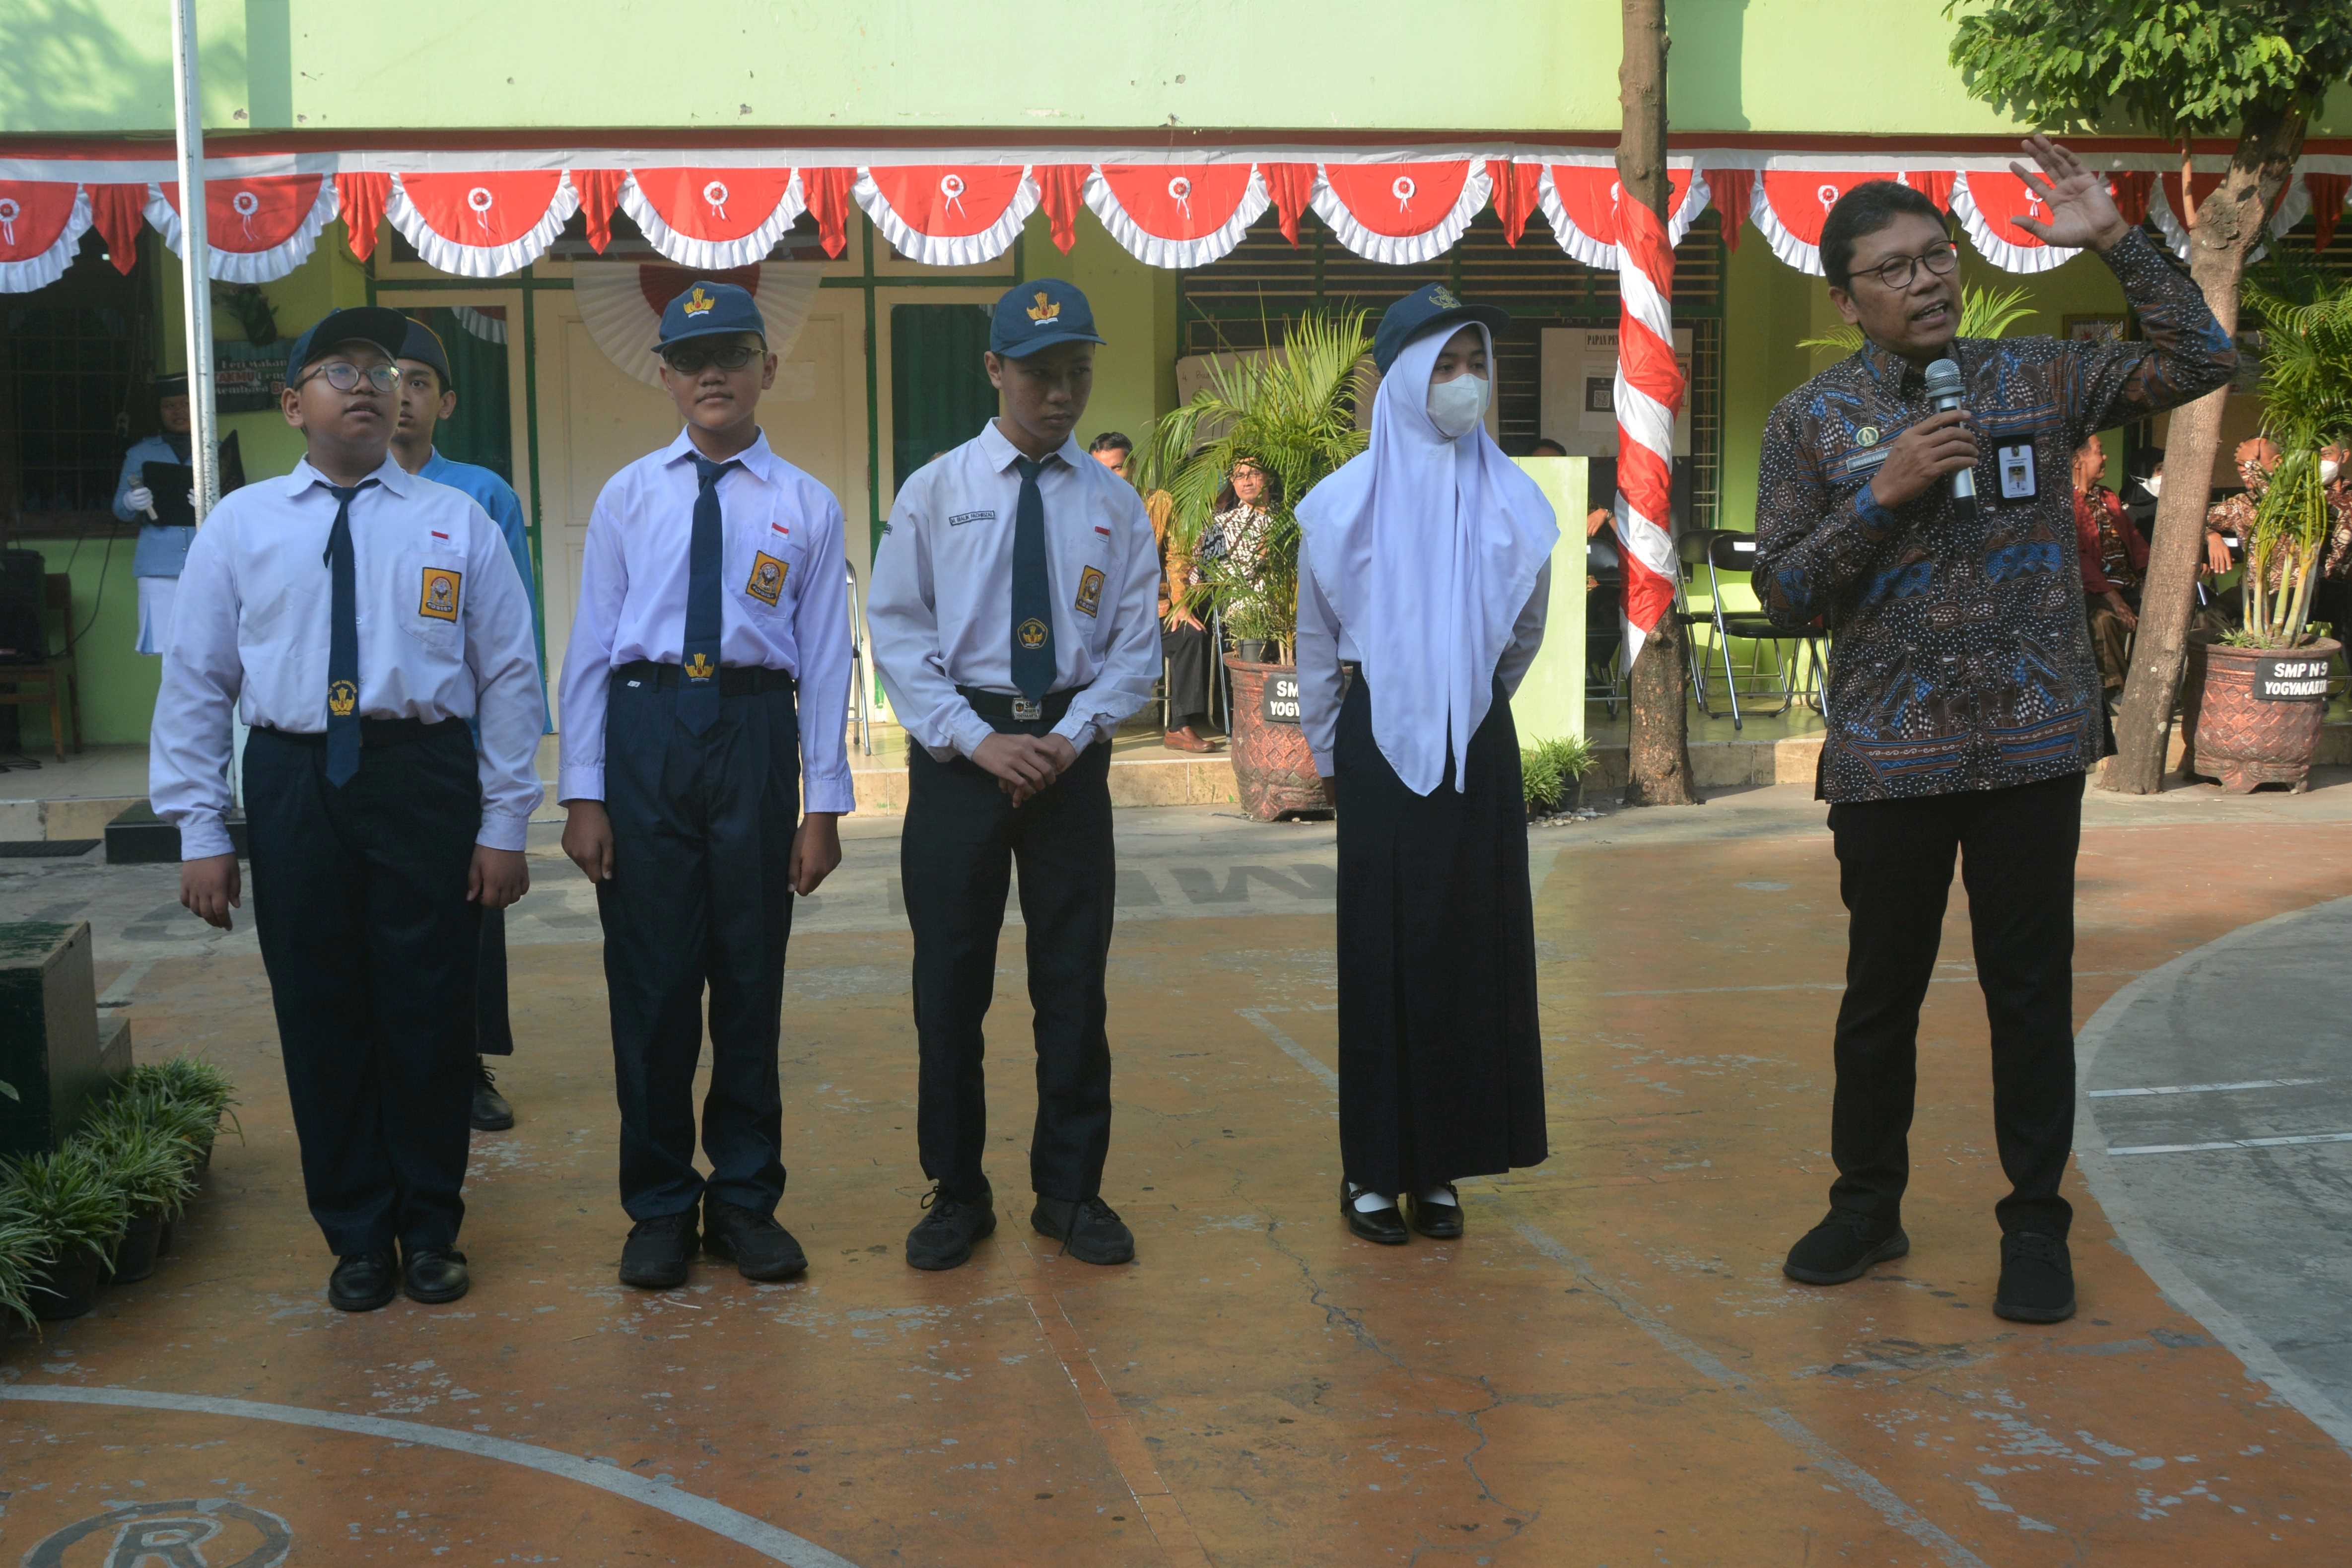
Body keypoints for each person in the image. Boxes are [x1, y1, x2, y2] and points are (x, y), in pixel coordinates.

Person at [1752, 137, 2235, 1325]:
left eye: (1935, 257)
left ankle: (2033, 1225)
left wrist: (2115, 236)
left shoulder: (2033, 377)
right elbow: (1782, 594)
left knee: (2027, 992)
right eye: (1891, 269)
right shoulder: (1809, 422)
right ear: (1844, 296)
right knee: (1879, 998)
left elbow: (2200, 356)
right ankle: (1865, 1206)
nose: (1921, 282)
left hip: (2029, 747)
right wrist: (1881, 493)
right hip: (1885, 758)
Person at [149, 307, 544, 1312]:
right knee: (320, 1010)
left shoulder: (454, 521)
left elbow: (508, 676)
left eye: (386, 371)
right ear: (292, 405)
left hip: (422, 776)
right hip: (292, 778)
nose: (370, 384)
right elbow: (197, 681)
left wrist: (505, 823)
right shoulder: (241, 525)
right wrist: (202, 826)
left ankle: (430, 1227)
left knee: (426, 1008)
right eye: (339, 369)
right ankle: (358, 1233)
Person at [556, 280, 854, 1292]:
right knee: (648, 987)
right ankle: (656, 1205)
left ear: (766, 367)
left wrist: (823, 806)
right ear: (666, 376)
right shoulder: (628, 497)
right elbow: (591, 650)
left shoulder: (806, 504)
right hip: (644, 737)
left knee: (748, 980)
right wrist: (582, 791)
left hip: (753, 737)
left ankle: (743, 1199)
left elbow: (825, 662)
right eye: (691, 358)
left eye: (732, 352)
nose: (712, 371)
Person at [867, 278, 1161, 1273]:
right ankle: (956, 1190)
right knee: (949, 986)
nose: (1061, 392)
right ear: (994, 369)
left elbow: (1131, 649)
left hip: (1068, 762)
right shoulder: (934, 491)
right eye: (1040, 372)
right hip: (961, 761)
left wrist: (1069, 738)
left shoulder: (1114, 504)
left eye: (1077, 371)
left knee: (1071, 984)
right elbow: (899, 633)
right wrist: (972, 739)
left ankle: (1069, 1191)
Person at [1294, 282, 1558, 1245]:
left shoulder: (1515, 504)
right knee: (1381, 950)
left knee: (1464, 947)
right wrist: (1328, 750)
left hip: (1475, 737)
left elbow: (1522, 632)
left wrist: (1466, 695)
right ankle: (1371, 1170)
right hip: (1375, 741)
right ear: (1400, 379)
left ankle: (1440, 1167)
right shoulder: (1337, 509)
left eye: (1474, 363)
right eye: (1442, 366)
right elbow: (1316, 645)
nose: (1462, 385)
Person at [391, 317, 546, 1134]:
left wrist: (505, 761)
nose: (402, 396)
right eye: (387, 379)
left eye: (419, 382)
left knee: (470, 910)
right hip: (374, 743)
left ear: (445, 400)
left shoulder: (481, 495)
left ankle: (468, 1059)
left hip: (460, 745)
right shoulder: (340, 492)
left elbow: (511, 641)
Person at [114, 373, 204, 656]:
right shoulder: (140, 453)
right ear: (160, 411)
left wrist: (215, 505)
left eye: (185, 404)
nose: (178, 412)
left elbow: (238, 505)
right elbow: (120, 510)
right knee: (169, 656)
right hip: (158, 565)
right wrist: (131, 501)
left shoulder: (213, 447)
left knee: (211, 650)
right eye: (170, 406)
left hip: (208, 563)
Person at [2071, 433, 2144, 703]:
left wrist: (2149, 576)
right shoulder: (2066, 503)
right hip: (2092, 590)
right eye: (2099, 452)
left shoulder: (2108, 497)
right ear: (2078, 461)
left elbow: (2134, 541)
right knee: (2104, 621)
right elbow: (2080, 559)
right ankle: (2117, 687)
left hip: (2128, 584)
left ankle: (2149, 680)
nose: (2105, 457)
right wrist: (2112, 597)